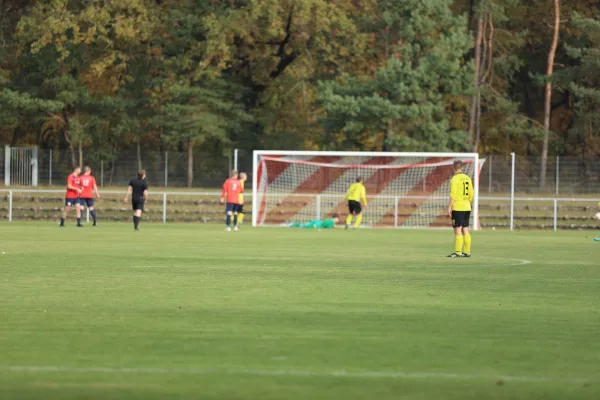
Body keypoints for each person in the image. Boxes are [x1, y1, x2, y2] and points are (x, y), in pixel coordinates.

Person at [447, 160, 474, 258]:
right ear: (462, 167)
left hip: (458, 208)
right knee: (465, 229)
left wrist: (449, 206)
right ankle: (467, 252)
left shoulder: (454, 179)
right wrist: (467, 202)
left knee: (458, 230)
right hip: (467, 207)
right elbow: (471, 194)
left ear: (453, 168)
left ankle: (458, 252)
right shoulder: (467, 178)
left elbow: (453, 194)